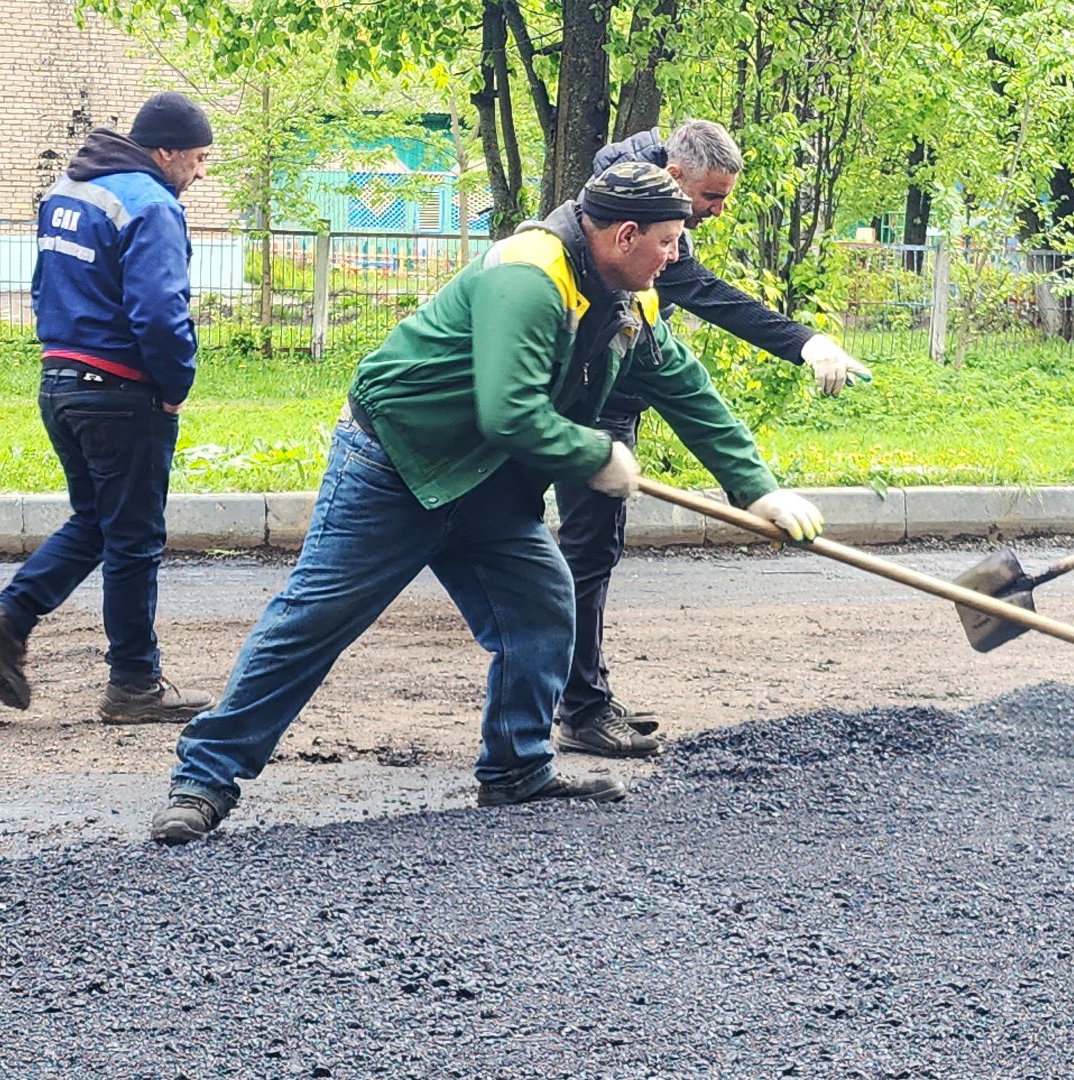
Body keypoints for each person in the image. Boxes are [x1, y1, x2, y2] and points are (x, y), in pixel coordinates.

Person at [148, 162, 827, 844]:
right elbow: (509, 412)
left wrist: (758, 489)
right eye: (671, 240)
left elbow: (685, 387)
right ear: (625, 235)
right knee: (316, 618)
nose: (678, 256)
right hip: (399, 462)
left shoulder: (628, 300)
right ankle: (205, 780)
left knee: (540, 606)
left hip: (489, 482)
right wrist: (597, 456)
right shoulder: (528, 278)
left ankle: (516, 770)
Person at [553, 120, 871, 759]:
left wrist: (756, 488)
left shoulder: (651, 209)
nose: (716, 214)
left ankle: (582, 696)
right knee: (582, 554)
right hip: (583, 394)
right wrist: (804, 342)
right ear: (674, 178)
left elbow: (683, 373)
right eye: (711, 199)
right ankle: (577, 711)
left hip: (621, 375)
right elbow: (703, 294)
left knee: (593, 550)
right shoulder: (632, 215)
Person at [0, 92, 217, 725]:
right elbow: (159, 312)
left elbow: (46, 285)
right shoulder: (152, 205)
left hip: (60, 382)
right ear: (166, 152)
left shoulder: (70, 190)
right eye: (199, 159)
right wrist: (176, 382)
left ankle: (8, 622)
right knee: (133, 538)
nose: (202, 173)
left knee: (98, 521)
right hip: (122, 393)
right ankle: (134, 684)